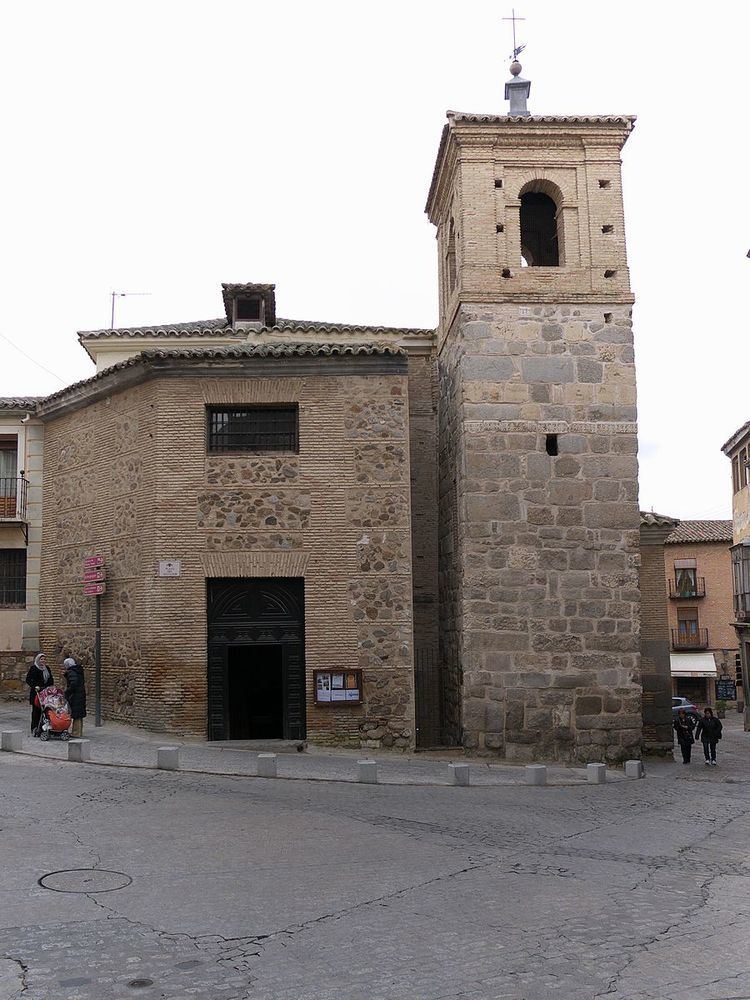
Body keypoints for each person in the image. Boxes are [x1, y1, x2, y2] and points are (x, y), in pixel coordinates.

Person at [25, 652, 53, 736]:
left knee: (46, 711)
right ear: (38, 660)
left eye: (44, 659)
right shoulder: (33, 668)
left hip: (45, 693)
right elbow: (28, 679)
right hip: (36, 693)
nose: (43, 661)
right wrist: (35, 686)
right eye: (41, 659)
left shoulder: (47, 668)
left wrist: (50, 687)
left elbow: (50, 679)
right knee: (36, 711)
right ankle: (35, 727)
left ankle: (44, 728)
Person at [63, 657, 87, 738]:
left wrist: (67, 691)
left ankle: (76, 732)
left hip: (75, 695)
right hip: (80, 694)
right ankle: (78, 731)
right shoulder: (78, 670)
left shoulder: (71, 672)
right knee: (79, 715)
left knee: (76, 714)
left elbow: (73, 683)